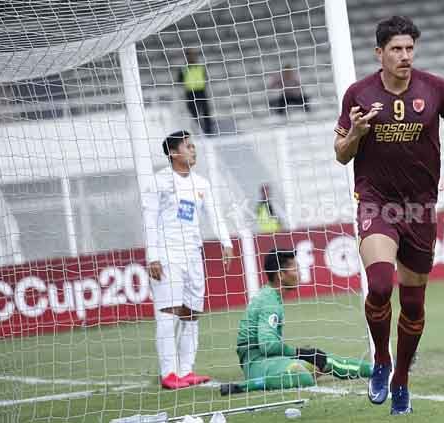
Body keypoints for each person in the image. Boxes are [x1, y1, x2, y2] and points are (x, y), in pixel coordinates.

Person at [333, 16, 444, 414]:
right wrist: (357, 133)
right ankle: (381, 358)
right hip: (377, 204)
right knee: (379, 285)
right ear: (379, 53)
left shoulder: (435, 88)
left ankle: (401, 381)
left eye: (410, 48)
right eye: (396, 49)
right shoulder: (358, 94)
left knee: (413, 306)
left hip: (419, 208)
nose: (405, 56)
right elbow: (341, 153)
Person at [143, 130, 235, 389]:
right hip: (167, 253)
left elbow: (214, 214)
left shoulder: (202, 183)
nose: (193, 150)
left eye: (194, 146)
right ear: (173, 153)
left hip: (194, 254)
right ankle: (168, 373)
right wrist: (153, 256)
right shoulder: (158, 182)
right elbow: (149, 219)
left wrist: (226, 242)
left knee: (192, 313)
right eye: (188, 146)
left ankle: (185, 370)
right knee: (168, 311)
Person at [220, 249, 372, 395]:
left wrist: (307, 355)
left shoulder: (271, 296)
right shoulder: (269, 302)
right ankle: (245, 386)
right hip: (257, 363)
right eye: (295, 269)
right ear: (280, 275)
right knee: (302, 376)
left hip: (272, 360)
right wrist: (300, 353)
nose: (299, 274)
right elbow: (268, 345)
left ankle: (376, 369)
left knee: (322, 360)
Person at [179, 49, 215, 136]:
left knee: (205, 110)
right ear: (186, 57)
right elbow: (180, 80)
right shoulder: (183, 68)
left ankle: (208, 130)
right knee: (193, 112)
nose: (191, 57)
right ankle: (197, 130)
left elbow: (205, 77)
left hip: (201, 91)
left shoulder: (200, 67)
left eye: (193, 55)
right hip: (190, 93)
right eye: (189, 55)